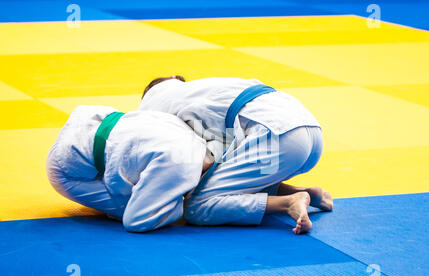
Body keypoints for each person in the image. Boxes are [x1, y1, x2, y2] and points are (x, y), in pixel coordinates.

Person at [139, 76, 333, 234]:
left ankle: (288, 202)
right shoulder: (202, 88)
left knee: (197, 206)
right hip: (309, 130)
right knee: (233, 178)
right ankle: (306, 193)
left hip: (276, 137)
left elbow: (153, 159)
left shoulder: (151, 107)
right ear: (175, 78)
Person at [46, 105, 209, 232]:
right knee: (137, 208)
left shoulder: (189, 129)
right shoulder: (183, 167)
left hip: (86, 121)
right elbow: (136, 221)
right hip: (65, 168)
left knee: (142, 174)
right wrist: (181, 204)